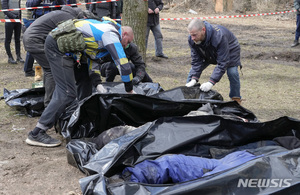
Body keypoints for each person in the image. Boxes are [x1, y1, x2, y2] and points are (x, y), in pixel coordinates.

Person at [25, 18, 135, 147]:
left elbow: (92, 58)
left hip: (70, 50)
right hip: (58, 48)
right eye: (127, 42)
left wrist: (98, 83)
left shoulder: (102, 32)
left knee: (86, 82)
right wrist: (130, 90)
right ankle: (37, 133)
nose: (126, 46)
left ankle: (81, 122)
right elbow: (123, 64)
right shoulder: (110, 33)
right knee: (66, 92)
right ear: (124, 34)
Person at [23, 6, 83, 107]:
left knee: (49, 69)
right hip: (36, 41)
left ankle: (50, 99)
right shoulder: (69, 18)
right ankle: (49, 103)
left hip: (30, 38)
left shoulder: (59, 13)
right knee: (51, 69)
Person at [185, 19, 242, 104]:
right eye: (191, 35)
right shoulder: (192, 39)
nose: (192, 38)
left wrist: (211, 82)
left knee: (232, 72)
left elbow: (222, 63)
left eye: (194, 35)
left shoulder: (219, 37)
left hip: (230, 50)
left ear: (203, 30)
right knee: (192, 73)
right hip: (209, 52)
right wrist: (194, 79)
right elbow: (196, 61)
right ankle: (187, 98)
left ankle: (236, 99)